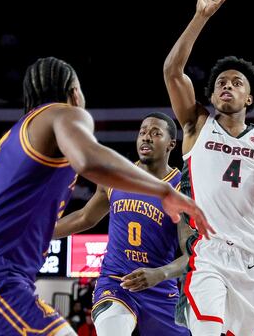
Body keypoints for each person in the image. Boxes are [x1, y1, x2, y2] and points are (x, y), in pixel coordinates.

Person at [0, 57, 212, 336]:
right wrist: (162, 190)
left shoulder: (8, 147)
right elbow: (88, 162)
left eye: (155, 133)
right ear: (74, 93)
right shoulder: (65, 113)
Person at [164, 0, 254, 336]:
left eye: (237, 83)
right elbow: (172, 72)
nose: (227, 86)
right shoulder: (197, 124)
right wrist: (199, 18)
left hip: (250, 256)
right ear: (211, 95)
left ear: (249, 97)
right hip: (208, 252)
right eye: (221, 82)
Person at [52, 113, 191, 335]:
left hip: (160, 288)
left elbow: (192, 255)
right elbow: (84, 217)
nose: (146, 137)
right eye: (143, 132)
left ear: (171, 144)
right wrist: (37, 234)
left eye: (156, 133)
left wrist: (161, 274)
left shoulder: (180, 189)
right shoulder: (115, 177)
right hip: (116, 282)